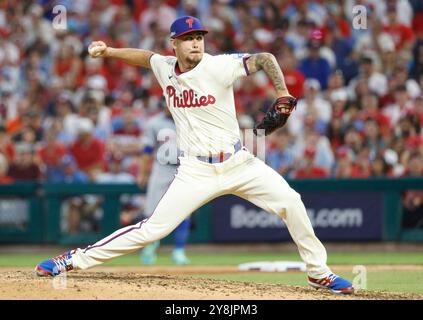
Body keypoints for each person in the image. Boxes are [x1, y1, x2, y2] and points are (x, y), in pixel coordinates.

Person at [35, 16, 353, 294]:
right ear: (174, 44)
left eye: (199, 38)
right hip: (195, 171)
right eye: (188, 39)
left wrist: (282, 91)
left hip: (238, 162)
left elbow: (265, 58)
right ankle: (72, 260)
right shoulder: (164, 66)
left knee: (291, 202)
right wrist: (110, 51)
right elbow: (145, 58)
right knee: (152, 230)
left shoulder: (219, 66)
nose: (196, 44)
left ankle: (318, 273)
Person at [138, 105, 191, 265]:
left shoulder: (191, 119)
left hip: (185, 168)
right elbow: (147, 149)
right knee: (152, 210)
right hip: (161, 168)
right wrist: (143, 172)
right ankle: (149, 248)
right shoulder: (154, 123)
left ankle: (179, 251)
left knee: (184, 211)